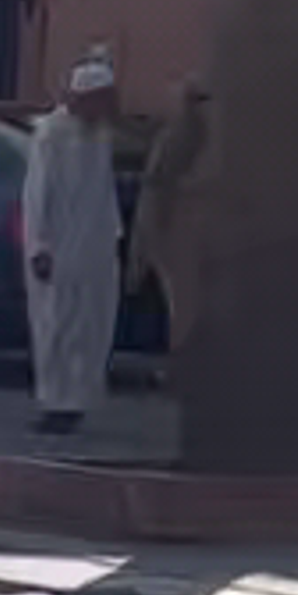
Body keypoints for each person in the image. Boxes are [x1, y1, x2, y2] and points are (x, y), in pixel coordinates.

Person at [20, 47, 127, 434]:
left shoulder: (99, 136)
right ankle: (54, 401)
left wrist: (113, 234)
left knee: (91, 325)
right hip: (59, 247)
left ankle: (77, 401)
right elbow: (37, 196)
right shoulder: (52, 135)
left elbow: (103, 191)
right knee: (56, 326)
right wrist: (40, 247)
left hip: (95, 245)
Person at [131, 76, 210, 373]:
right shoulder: (187, 136)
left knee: (181, 302)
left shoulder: (182, 136)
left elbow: (158, 185)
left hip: (174, 224)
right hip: (172, 223)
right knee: (182, 301)